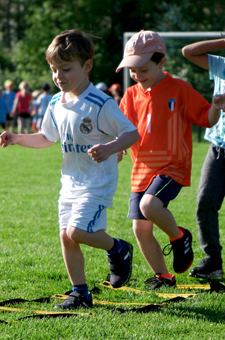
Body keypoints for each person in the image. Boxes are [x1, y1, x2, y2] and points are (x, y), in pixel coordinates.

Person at [0, 29, 139, 309]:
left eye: (66, 69)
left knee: (76, 231)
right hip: (70, 181)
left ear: (87, 66)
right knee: (66, 235)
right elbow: (46, 138)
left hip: (98, 180)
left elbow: (131, 133)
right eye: (54, 70)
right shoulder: (54, 103)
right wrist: (16, 138)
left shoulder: (101, 103)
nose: (58, 76)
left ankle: (119, 249)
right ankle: (80, 293)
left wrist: (111, 147)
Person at [116, 30, 225, 289]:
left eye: (143, 69)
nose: (137, 76)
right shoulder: (130, 95)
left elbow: (206, 120)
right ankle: (164, 277)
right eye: (133, 71)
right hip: (141, 169)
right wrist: (116, 148)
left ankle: (179, 237)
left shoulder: (180, 88)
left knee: (149, 206)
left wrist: (216, 107)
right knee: (140, 230)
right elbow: (123, 129)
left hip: (171, 167)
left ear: (161, 62)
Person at [182, 37, 225, 278]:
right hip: (219, 147)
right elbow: (188, 51)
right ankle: (213, 261)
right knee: (205, 203)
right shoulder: (220, 65)